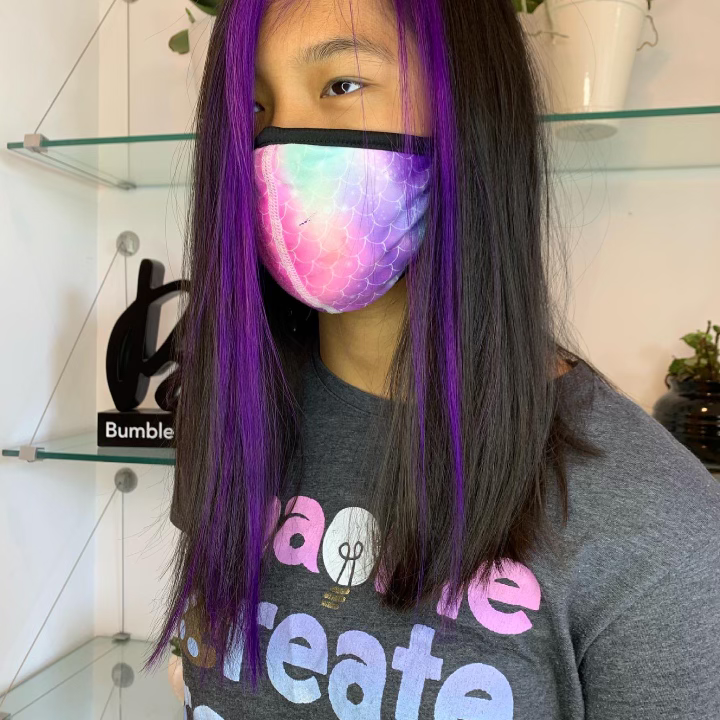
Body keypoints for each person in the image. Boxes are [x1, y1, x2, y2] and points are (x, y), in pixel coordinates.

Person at [147, 0, 720, 717]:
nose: (280, 144)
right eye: (253, 109)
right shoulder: (231, 416)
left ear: (470, 109)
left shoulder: (652, 520)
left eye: (342, 85)